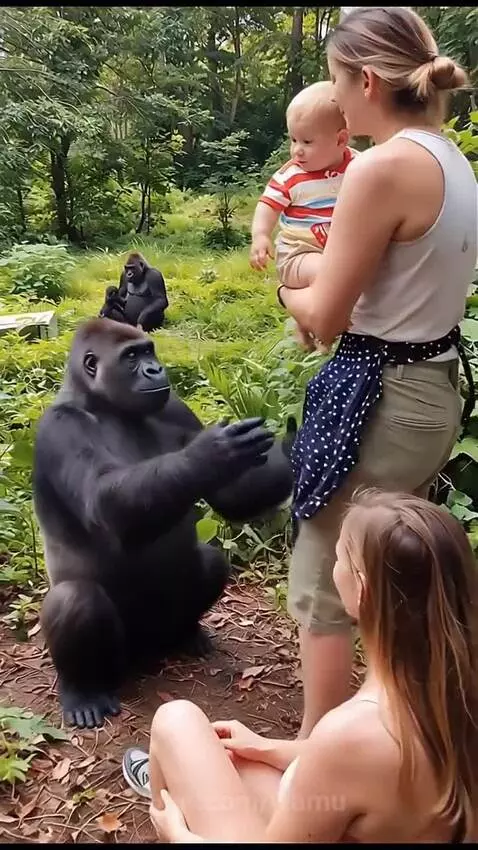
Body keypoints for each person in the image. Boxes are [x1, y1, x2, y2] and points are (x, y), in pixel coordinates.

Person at [274, 5, 477, 739]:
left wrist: (288, 280)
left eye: (335, 80)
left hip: (381, 397)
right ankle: (401, 731)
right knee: (386, 572)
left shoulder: (381, 168)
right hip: (431, 387)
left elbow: (326, 316)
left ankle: (319, 755)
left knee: (327, 574)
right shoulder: (448, 160)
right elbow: (370, 271)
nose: (333, 98)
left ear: (365, 81)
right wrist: (316, 272)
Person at [122, 491, 478, 842]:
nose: (334, 564)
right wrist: (267, 748)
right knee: (236, 761)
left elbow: (355, 757)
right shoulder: (452, 686)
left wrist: (181, 837)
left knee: (176, 722)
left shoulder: (354, 731)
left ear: (362, 589)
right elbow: (371, 768)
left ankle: (172, 806)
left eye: (340, 555)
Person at [250, 81, 356, 352]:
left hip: (336, 253)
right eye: (293, 140)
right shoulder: (291, 176)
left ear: (341, 140)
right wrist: (261, 235)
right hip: (298, 255)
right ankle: (323, 333)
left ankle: (306, 320)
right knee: (327, 273)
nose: (297, 149)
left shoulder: (358, 166)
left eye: (307, 142)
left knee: (345, 274)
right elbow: (267, 205)